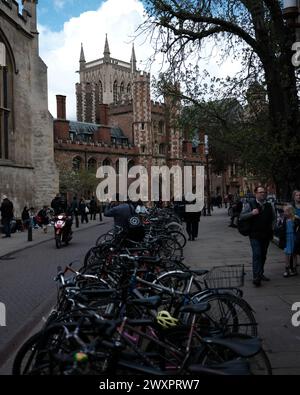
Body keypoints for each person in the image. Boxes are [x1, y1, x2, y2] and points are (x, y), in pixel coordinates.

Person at [239, 186, 275, 286]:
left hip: (266, 234)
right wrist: (251, 213)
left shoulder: (269, 205)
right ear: (256, 194)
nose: (262, 194)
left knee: (263, 255)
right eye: (260, 192)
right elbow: (241, 216)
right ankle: (256, 276)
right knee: (257, 254)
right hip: (254, 234)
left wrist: (271, 228)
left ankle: (260, 273)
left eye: (264, 192)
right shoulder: (250, 204)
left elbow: (273, 218)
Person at [278, 205, 298, 277]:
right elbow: (279, 227)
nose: (284, 213)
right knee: (287, 254)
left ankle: (294, 269)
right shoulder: (283, 219)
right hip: (286, 238)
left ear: (290, 211)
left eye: (286, 211)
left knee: (294, 254)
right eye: (284, 211)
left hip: (294, 238)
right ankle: (287, 268)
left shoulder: (295, 218)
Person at [291, 190, 300, 265]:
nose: (299, 196)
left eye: (299, 195)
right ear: (294, 197)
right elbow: (287, 216)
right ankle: (294, 264)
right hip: (294, 228)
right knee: (294, 246)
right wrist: (294, 216)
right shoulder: (291, 205)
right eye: (297, 195)